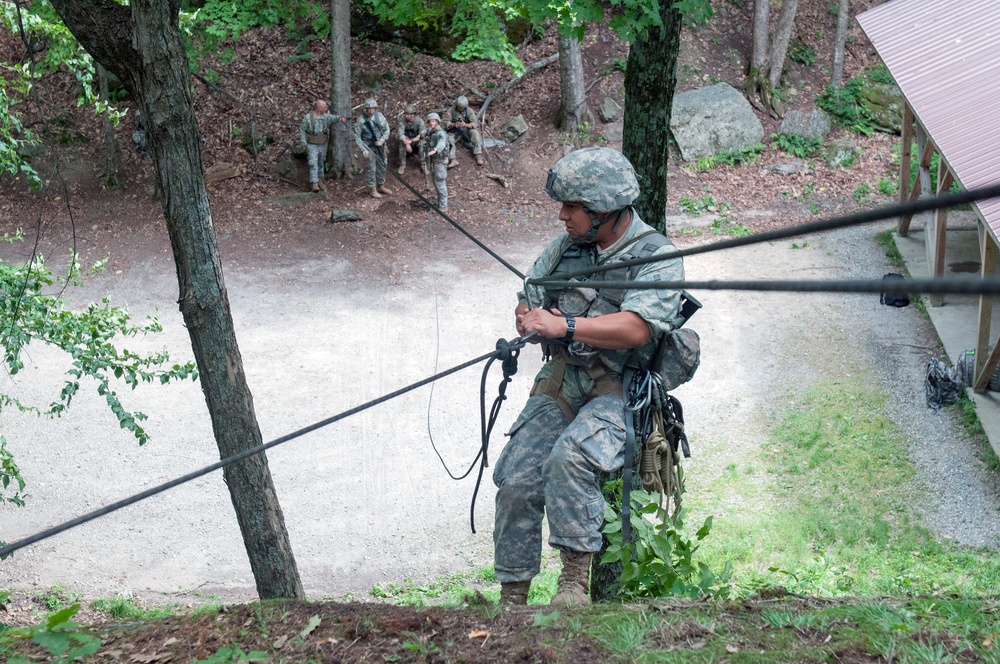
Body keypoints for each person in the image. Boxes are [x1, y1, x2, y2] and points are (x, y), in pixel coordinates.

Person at [492, 147, 685, 606]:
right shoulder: (566, 249)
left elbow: (638, 328)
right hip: (563, 379)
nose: (562, 215)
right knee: (518, 473)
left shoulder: (656, 255)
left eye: (572, 207)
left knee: (571, 456)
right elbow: (529, 293)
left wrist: (567, 326)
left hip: (619, 386)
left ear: (603, 210)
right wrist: (528, 318)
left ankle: (573, 586)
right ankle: (512, 597)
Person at [299, 99, 346, 192]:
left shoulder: (325, 117)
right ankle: (314, 183)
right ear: (319, 108)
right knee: (313, 163)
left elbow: (332, 118)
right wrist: (304, 143)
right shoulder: (308, 118)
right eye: (324, 107)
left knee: (321, 162)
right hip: (312, 144)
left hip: (322, 143)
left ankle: (320, 180)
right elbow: (302, 130)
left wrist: (340, 118)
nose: (326, 108)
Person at [354, 98, 393, 199]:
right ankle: (372, 189)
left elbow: (386, 129)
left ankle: (381, 185)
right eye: (369, 109)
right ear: (365, 109)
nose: (371, 111)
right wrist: (363, 149)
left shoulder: (379, 117)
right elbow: (357, 137)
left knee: (383, 166)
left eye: (373, 108)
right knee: (371, 168)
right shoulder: (361, 121)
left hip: (380, 145)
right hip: (368, 146)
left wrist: (383, 139)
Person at [446, 95, 483, 168]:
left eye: (462, 108)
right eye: (459, 107)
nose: (461, 109)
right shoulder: (451, 110)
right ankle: (453, 159)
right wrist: (454, 124)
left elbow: (475, 124)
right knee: (449, 139)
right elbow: (445, 122)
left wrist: (466, 125)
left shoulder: (469, 111)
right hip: (455, 130)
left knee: (475, 133)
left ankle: (478, 154)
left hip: (466, 130)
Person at [424, 113, 450, 210]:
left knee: (440, 182)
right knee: (436, 183)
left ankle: (443, 206)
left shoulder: (440, 133)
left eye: (433, 121)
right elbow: (424, 133)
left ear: (437, 122)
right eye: (430, 121)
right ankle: (440, 204)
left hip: (440, 161)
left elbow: (442, 143)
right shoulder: (432, 131)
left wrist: (435, 150)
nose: (431, 123)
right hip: (435, 161)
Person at [397, 105, 427, 176]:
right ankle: (402, 164)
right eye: (406, 114)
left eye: (408, 114)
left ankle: (423, 163)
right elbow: (400, 134)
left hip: (415, 140)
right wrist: (407, 143)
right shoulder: (402, 120)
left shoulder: (419, 121)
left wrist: (412, 140)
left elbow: (422, 133)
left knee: (423, 143)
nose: (406, 116)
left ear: (413, 114)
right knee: (402, 144)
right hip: (407, 140)